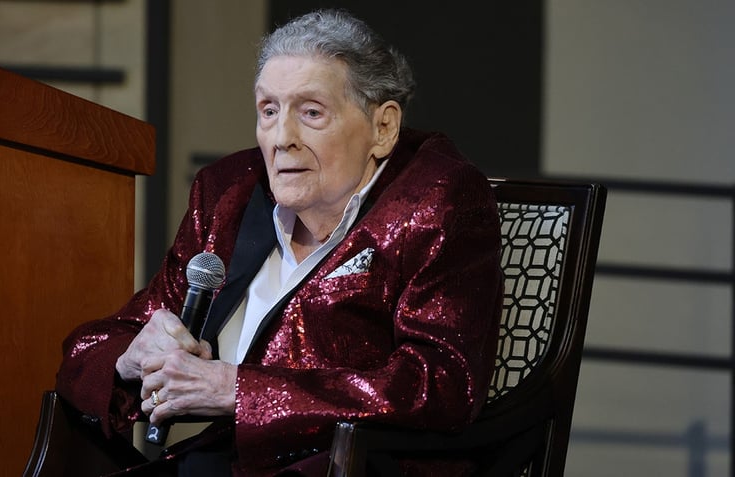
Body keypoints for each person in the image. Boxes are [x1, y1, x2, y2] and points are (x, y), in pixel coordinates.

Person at [55, 8, 503, 477]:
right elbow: (87, 350)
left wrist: (238, 390)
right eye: (269, 111)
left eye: (311, 112)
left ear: (383, 127)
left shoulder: (438, 198)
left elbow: (442, 383)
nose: (281, 138)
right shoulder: (228, 193)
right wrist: (131, 358)